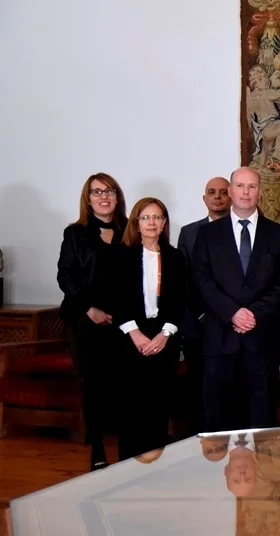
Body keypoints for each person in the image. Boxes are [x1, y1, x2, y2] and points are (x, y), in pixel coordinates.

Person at [192, 167, 280, 432]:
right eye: (240, 186)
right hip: (220, 337)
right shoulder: (208, 234)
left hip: (262, 338)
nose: (246, 192)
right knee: (218, 417)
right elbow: (202, 280)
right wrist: (233, 313)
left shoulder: (279, 234)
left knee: (262, 415)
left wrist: (253, 314)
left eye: (252, 186)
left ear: (260, 191)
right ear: (230, 191)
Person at [56, 172, 128, 471]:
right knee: (94, 384)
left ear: (117, 196)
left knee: (123, 384)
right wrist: (89, 309)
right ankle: (97, 450)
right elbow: (66, 276)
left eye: (109, 191)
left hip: (122, 321)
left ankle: (127, 450)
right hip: (85, 319)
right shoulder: (75, 233)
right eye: (97, 192)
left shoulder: (130, 230)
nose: (104, 196)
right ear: (88, 199)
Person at [113, 197, 186, 460]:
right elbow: (115, 299)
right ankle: (128, 465)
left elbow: (181, 300)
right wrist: (135, 334)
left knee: (159, 403)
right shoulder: (122, 256)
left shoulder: (175, 257)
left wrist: (165, 335)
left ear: (164, 223)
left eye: (157, 217)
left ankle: (157, 464)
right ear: (136, 222)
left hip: (164, 335)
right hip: (130, 335)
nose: (152, 222)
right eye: (146, 217)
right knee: (131, 405)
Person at [177, 176, 230, 434]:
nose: (217, 197)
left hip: (231, 321)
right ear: (204, 198)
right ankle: (196, 439)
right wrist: (200, 313)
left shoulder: (241, 230)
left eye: (223, 192)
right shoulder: (189, 232)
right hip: (197, 321)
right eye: (212, 192)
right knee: (197, 382)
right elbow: (184, 278)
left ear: (231, 197)